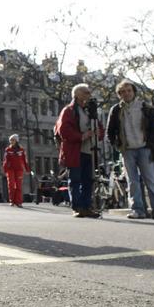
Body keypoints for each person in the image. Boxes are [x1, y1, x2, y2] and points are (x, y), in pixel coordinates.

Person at [106, 80, 154, 220]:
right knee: (133, 182)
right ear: (119, 94)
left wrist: (151, 144)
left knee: (151, 180)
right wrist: (118, 145)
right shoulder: (116, 110)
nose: (126, 93)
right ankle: (138, 210)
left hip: (145, 148)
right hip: (127, 150)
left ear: (134, 92)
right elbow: (110, 131)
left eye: (129, 90)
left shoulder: (146, 108)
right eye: (123, 91)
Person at [55, 83, 104, 218]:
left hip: (89, 151)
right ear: (77, 95)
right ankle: (77, 207)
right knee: (75, 180)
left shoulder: (90, 111)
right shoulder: (68, 111)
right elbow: (63, 130)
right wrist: (82, 136)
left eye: (89, 92)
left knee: (88, 180)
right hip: (74, 151)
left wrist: (98, 134)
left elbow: (100, 129)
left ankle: (86, 206)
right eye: (86, 92)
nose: (89, 95)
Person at [2, 134, 31, 207]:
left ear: (16, 141)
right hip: (10, 169)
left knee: (19, 186)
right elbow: (5, 160)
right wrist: (5, 169)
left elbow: (25, 160)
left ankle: (18, 202)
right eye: (10, 140)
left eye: (12, 140)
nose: (11, 141)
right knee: (11, 185)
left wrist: (27, 169)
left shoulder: (21, 150)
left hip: (19, 169)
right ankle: (12, 201)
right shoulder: (8, 149)